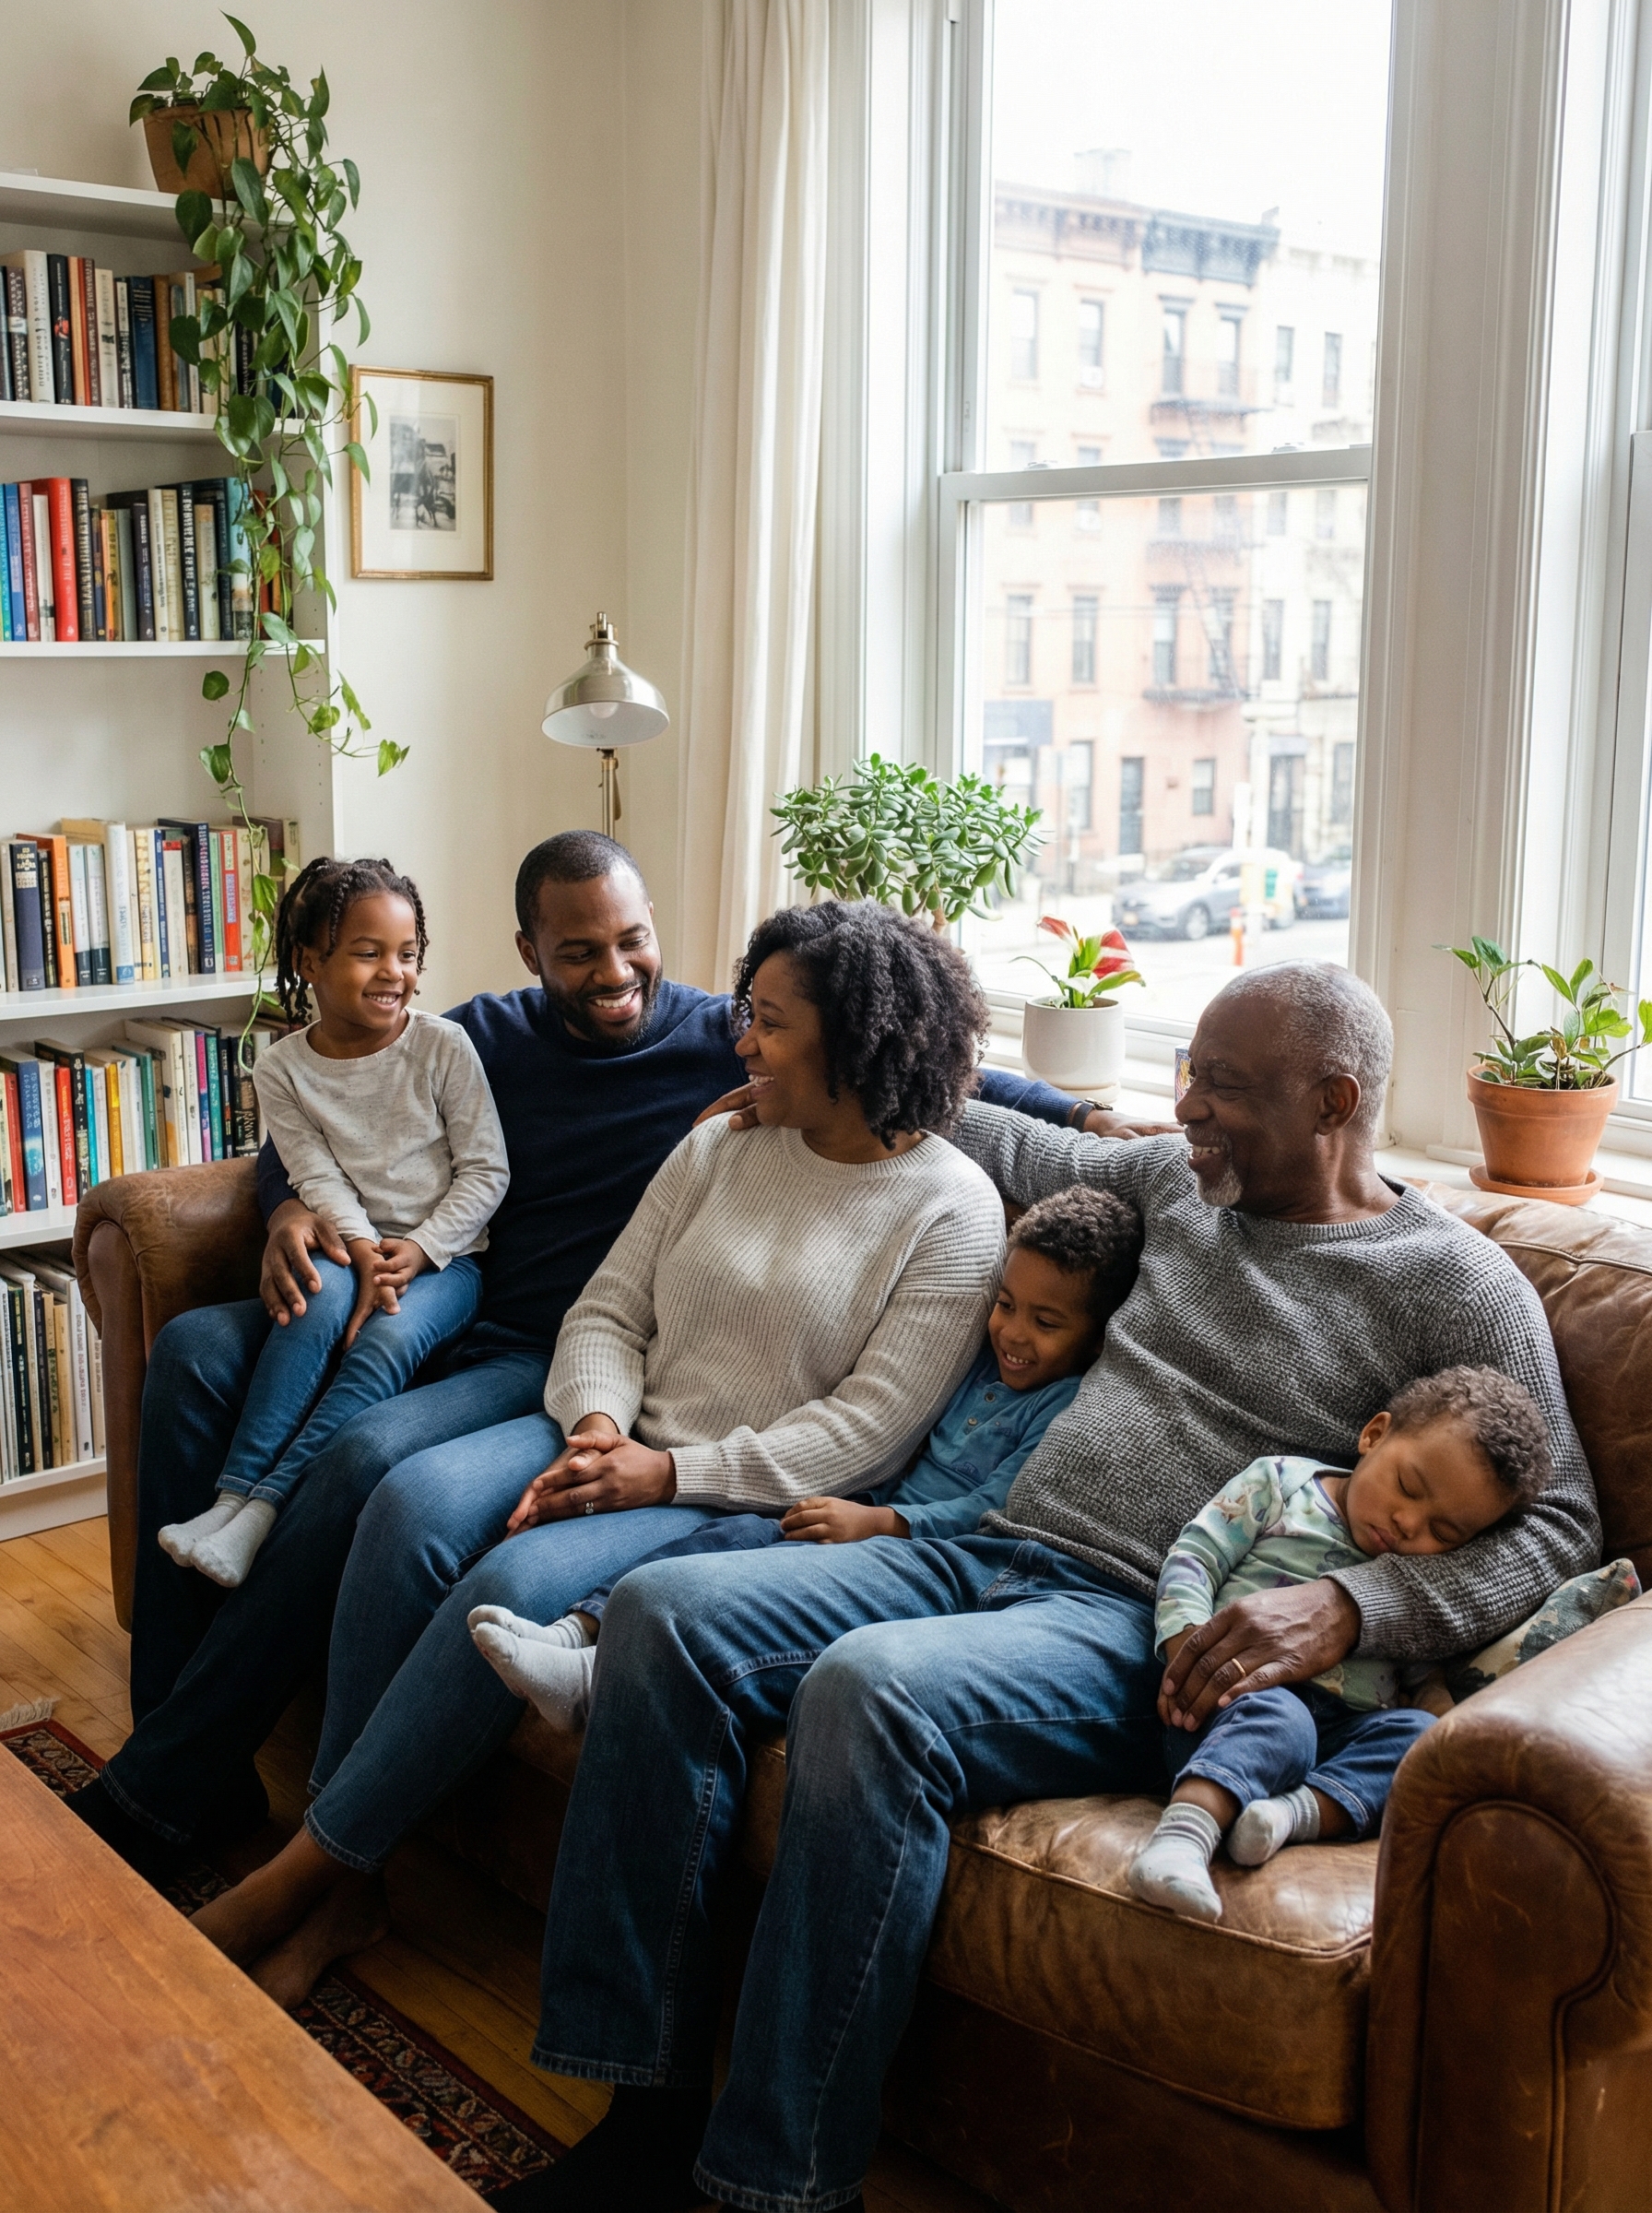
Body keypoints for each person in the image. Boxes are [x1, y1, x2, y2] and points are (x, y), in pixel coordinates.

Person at [503, 961, 1600, 2213]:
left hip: (1144, 1626)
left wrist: (1351, 1608)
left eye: (1223, 1087)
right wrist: (794, 1081)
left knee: (871, 1695)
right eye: (1185, 1073)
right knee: (661, 1617)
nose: (1185, 1106)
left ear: (1334, 1100)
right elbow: (985, 1124)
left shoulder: (1455, 1285)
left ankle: (777, 2189)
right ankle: (637, 2127)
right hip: (975, 1548)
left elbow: (1560, 1526)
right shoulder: (1180, 1188)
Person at [72, 834, 1108, 1882]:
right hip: (486, 1319)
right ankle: (182, 1758)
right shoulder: (484, 1037)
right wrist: (283, 1201)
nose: (613, 974)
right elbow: (337, 1093)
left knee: (376, 1467)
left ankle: (232, 1819)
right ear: (529, 951)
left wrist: (1086, 1115)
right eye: (577, 952)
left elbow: (934, 1070)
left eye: (632, 940)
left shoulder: (725, 1041)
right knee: (198, 1352)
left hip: (542, 1360)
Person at [470, 1182, 1145, 1728]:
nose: (1014, 1333)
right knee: (729, 1537)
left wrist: (885, 1525)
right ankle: (572, 1633)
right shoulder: (979, 1357)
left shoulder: (1063, 1409)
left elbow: (994, 1506)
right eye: (1005, 1305)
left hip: (914, 1552)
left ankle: (592, 1676)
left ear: (1098, 1338)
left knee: (740, 1581)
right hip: (862, 1513)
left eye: (1046, 1322)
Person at [159, 858, 510, 1589]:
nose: (395, 972)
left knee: (384, 1339)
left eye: (408, 955)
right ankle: (229, 1501)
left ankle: (262, 1512)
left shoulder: (444, 1047)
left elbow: (487, 1173)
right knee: (304, 1308)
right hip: (353, 1245)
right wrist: (356, 1248)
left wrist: (415, 1249)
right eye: (368, 952)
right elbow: (313, 1174)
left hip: (448, 1261)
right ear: (309, 962)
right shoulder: (282, 1067)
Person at [1127, 1365, 1554, 1924]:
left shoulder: (1415, 1582)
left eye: (1443, 1533)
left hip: (1343, 1734)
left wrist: (1442, 1723)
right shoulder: (1282, 1485)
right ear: (1375, 1435)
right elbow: (1194, 1559)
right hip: (1242, 1703)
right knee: (1285, 1724)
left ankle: (1287, 1817)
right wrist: (1190, 1649)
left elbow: (1420, 1668)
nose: (1407, 1524)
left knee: (1417, 1744)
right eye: (1407, 1486)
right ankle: (1180, 1843)